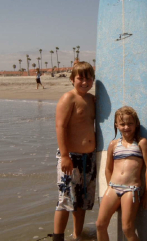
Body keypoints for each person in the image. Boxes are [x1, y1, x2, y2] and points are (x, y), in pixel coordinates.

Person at [53, 62, 96, 241]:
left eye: (88, 78)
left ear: (93, 80)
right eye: (80, 78)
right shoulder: (68, 98)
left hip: (89, 158)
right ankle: (58, 237)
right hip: (71, 157)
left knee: (82, 200)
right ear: (72, 80)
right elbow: (60, 126)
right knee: (65, 201)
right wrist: (64, 156)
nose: (84, 82)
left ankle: (77, 236)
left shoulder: (92, 100)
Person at [96, 106, 147, 241]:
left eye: (130, 123)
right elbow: (108, 168)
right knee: (100, 224)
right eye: (122, 124)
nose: (126, 127)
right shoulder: (113, 144)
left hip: (131, 189)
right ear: (116, 125)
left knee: (127, 228)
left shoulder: (141, 143)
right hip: (113, 187)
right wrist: (110, 186)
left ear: (136, 124)